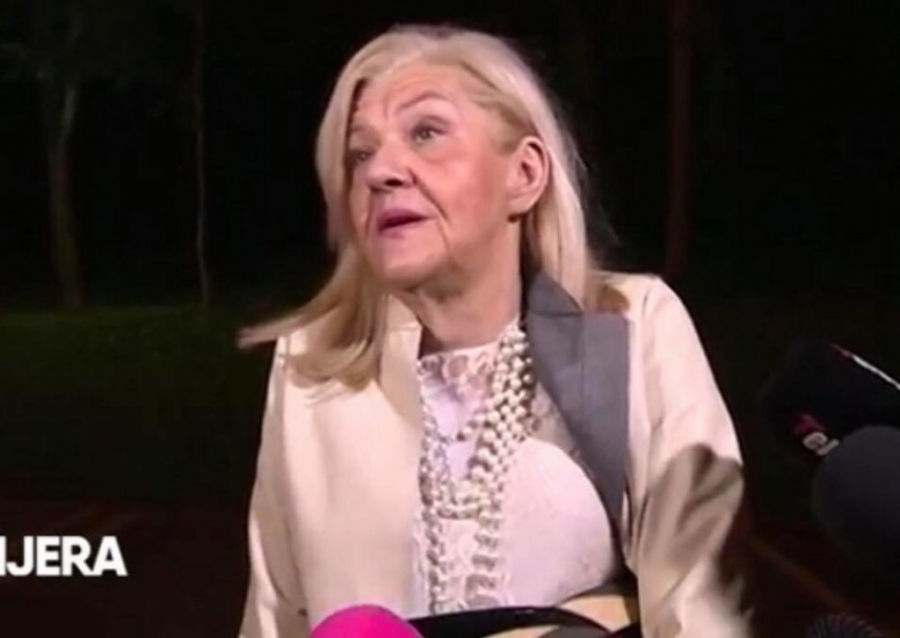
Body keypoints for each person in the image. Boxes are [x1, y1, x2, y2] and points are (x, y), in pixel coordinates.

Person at [237, 24, 753, 638]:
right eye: (360, 154)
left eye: (426, 133)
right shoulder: (308, 370)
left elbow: (703, 609)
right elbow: (274, 619)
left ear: (525, 174)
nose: (382, 172)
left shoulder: (634, 326)